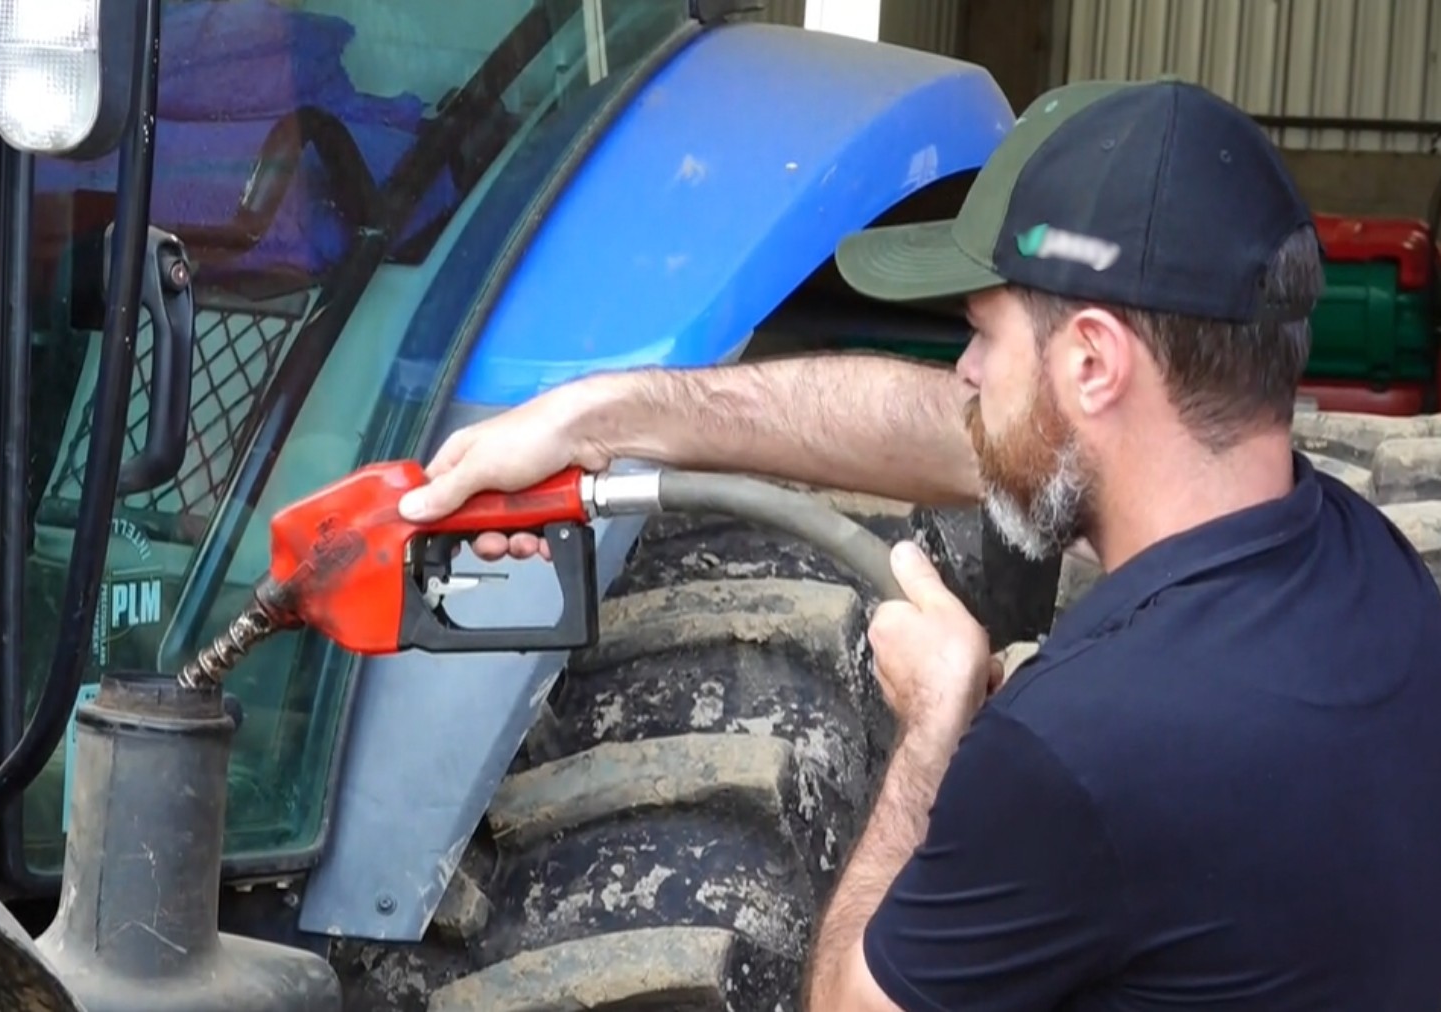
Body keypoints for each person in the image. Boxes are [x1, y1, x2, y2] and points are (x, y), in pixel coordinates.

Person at [398, 77, 1441, 1010]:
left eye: (982, 333)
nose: (967, 375)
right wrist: (592, 418)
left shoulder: (1073, 750)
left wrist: (937, 730)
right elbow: (961, 432)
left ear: (1093, 364)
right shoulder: (1370, 569)